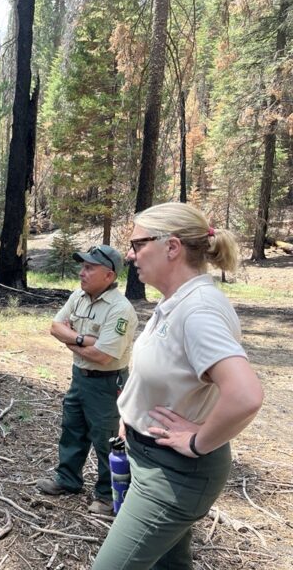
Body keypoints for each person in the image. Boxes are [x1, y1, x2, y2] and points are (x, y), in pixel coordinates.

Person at [92, 203, 263, 569]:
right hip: (149, 458)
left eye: (138, 244)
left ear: (172, 247)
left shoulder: (198, 310)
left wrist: (198, 441)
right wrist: (132, 417)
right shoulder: (176, 303)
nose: (130, 254)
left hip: (175, 474)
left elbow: (245, 395)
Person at [37, 245, 138, 515]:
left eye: (89, 267)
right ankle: (68, 479)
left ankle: (106, 495)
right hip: (79, 378)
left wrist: (71, 339)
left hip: (107, 383)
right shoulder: (78, 296)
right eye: (82, 266)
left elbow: (103, 356)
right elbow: (55, 327)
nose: (82, 272)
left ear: (108, 275)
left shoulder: (120, 309)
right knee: (72, 429)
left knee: (106, 438)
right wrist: (83, 340)